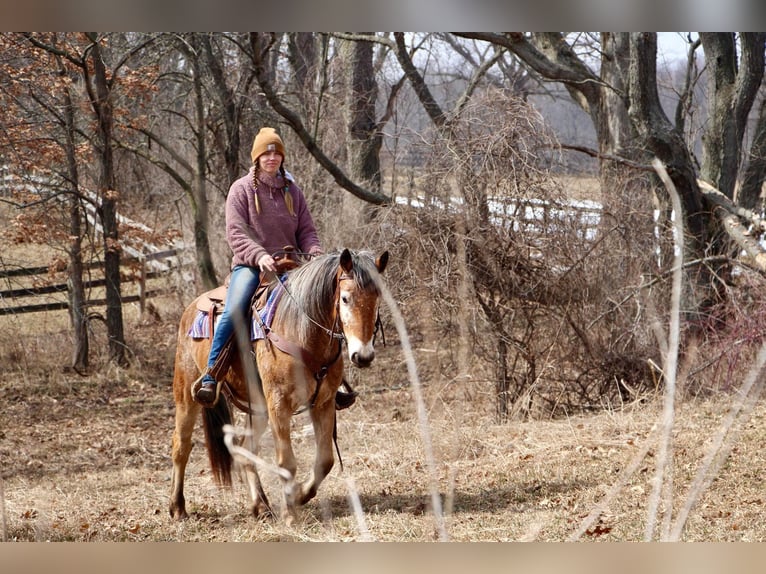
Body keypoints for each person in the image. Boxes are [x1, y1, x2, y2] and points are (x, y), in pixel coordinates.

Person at [193, 127, 323, 407]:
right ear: (256, 158)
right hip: (251, 266)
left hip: (290, 267)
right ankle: (211, 374)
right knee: (235, 307)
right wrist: (259, 255)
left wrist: (314, 252)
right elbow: (236, 233)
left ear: (282, 157)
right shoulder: (241, 189)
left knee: (319, 305)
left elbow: (307, 231)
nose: (271, 157)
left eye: (276, 152)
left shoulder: (293, 192)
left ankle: (328, 380)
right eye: (266, 152)